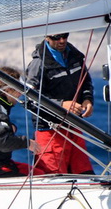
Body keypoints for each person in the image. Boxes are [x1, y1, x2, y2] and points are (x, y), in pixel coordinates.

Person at [25, 33, 94, 174]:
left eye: (65, 36)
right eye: (57, 37)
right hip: (49, 130)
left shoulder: (75, 56)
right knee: (53, 178)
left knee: (85, 174)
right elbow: (30, 100)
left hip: (74, 126)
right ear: (46, 37)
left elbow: (86, 82)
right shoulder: (38, 64)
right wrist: (61, 104)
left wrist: (88, 99)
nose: (62, 40)